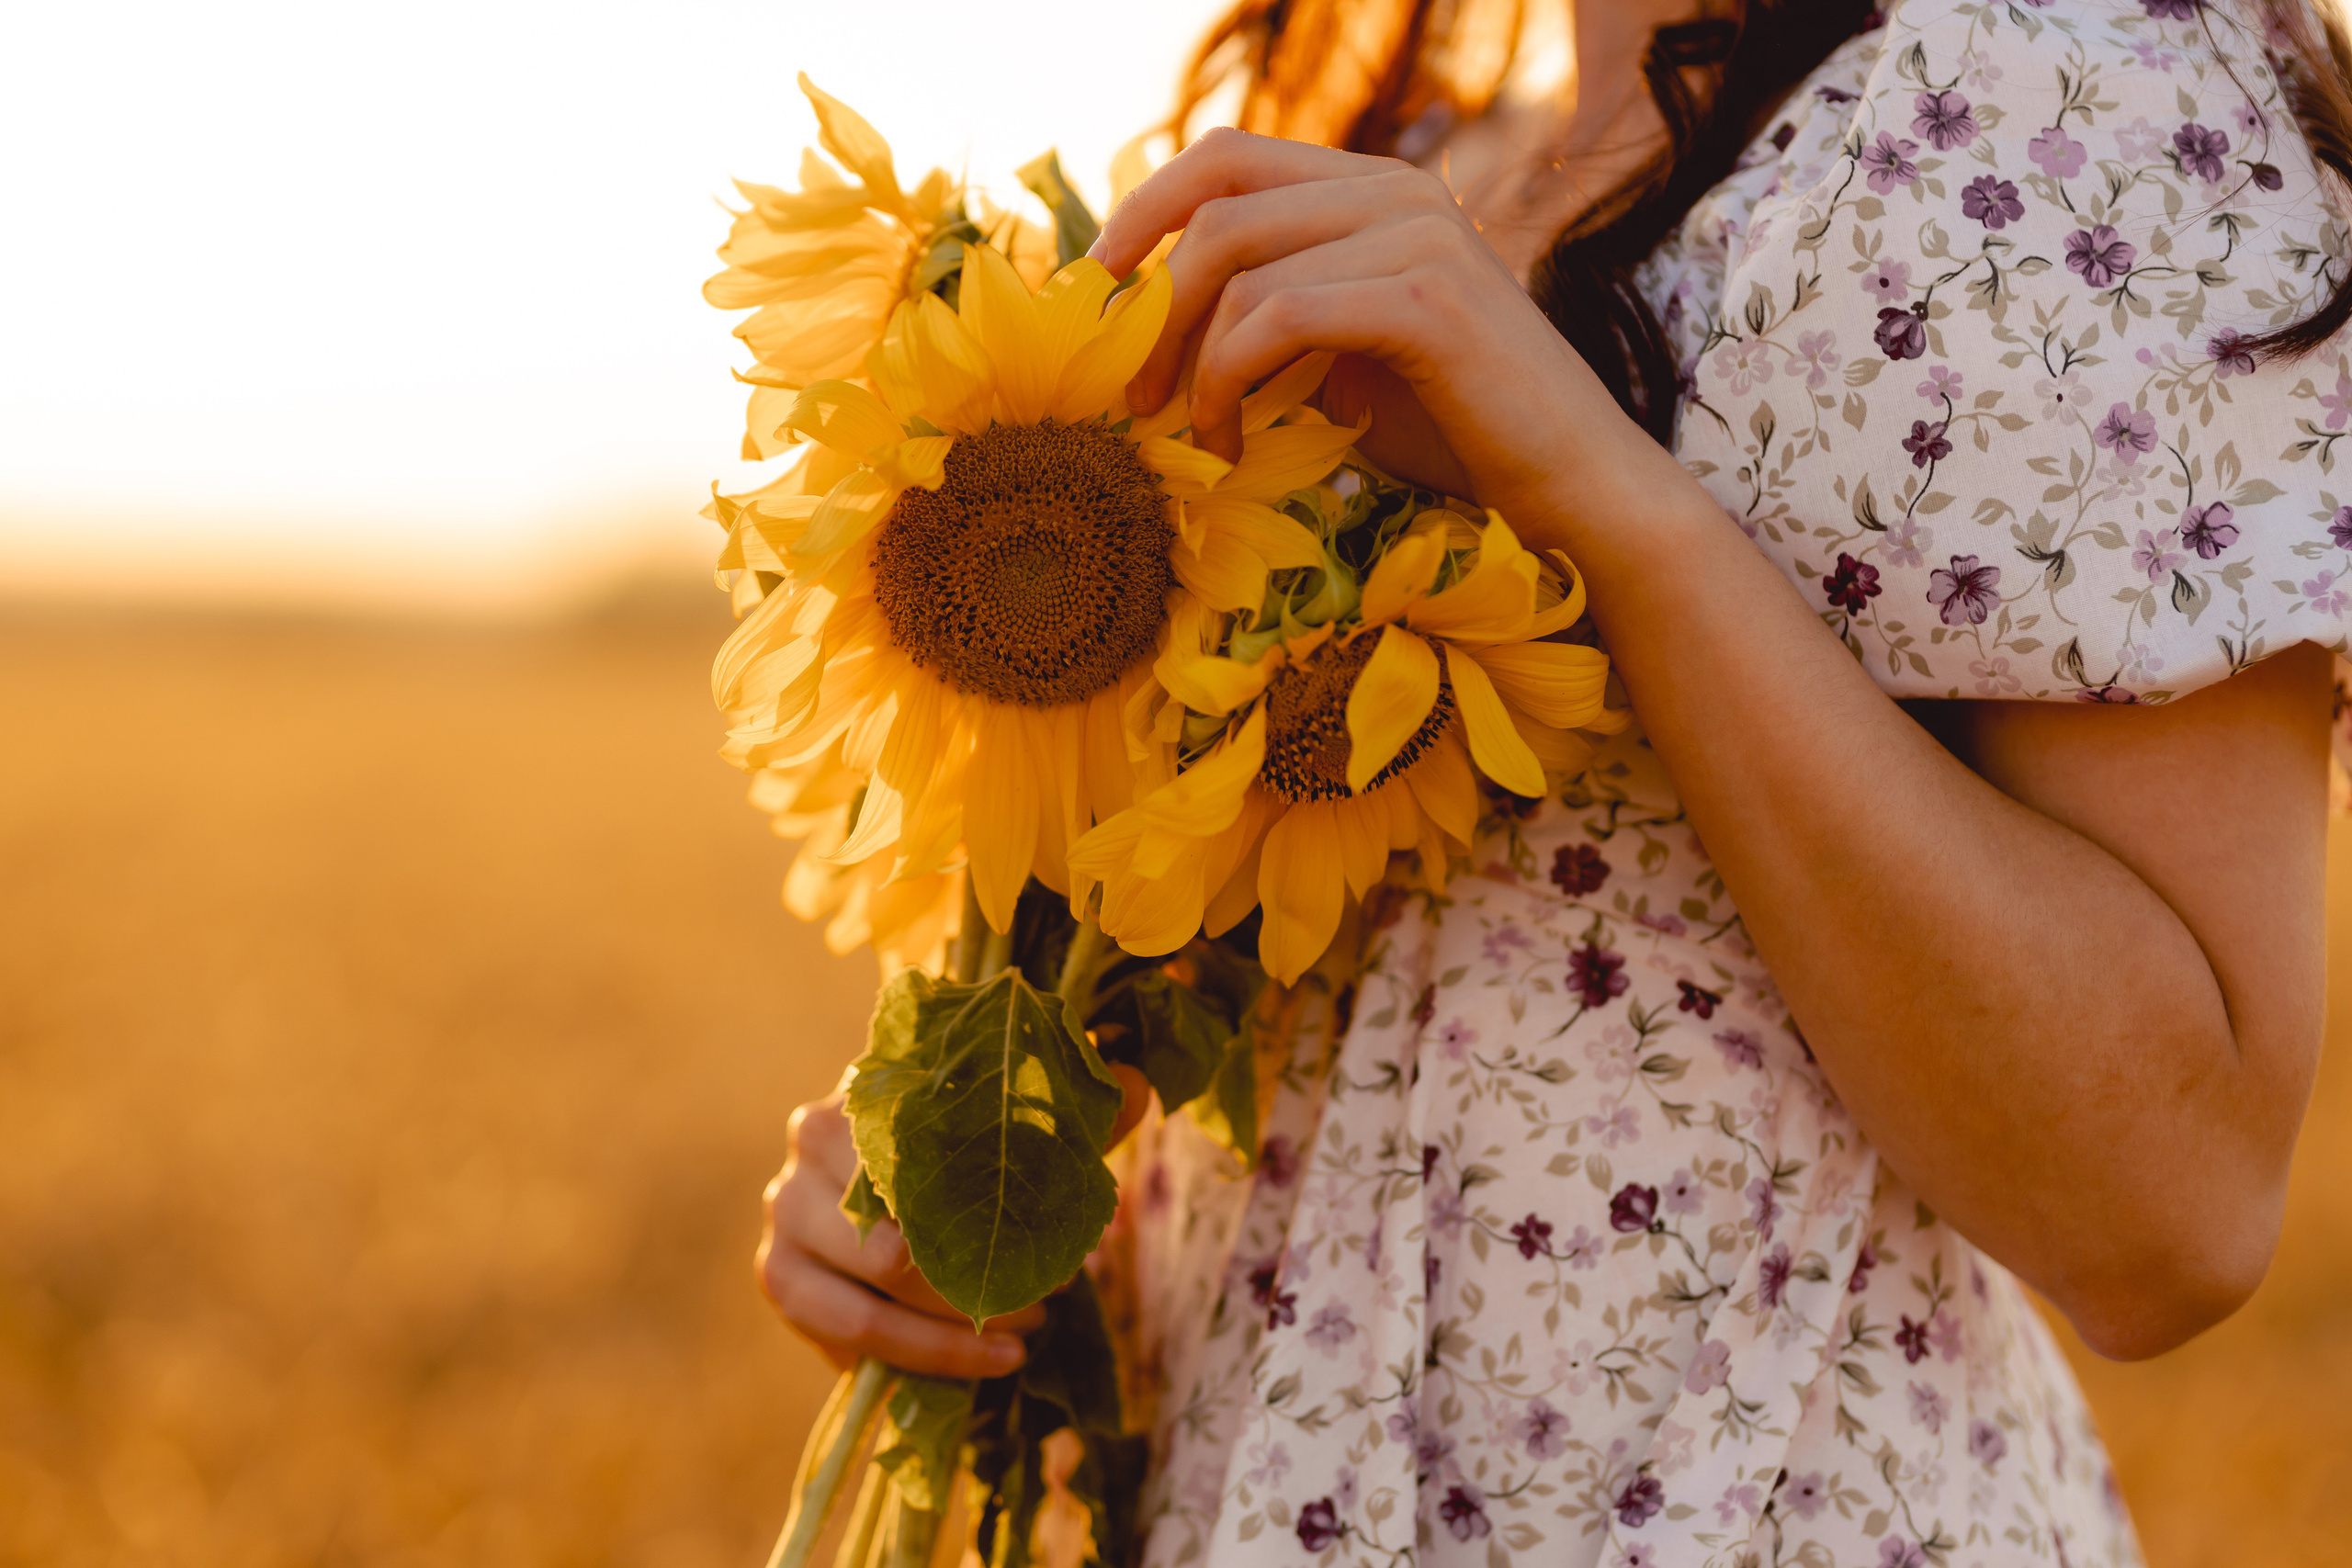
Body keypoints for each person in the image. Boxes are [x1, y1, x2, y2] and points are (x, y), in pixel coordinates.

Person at [757, 1, 2352, 1561]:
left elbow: (2175, 1212)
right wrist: (985, 1226)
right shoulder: (1419, 146)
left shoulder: (2067, 93)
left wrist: (1597, 489)